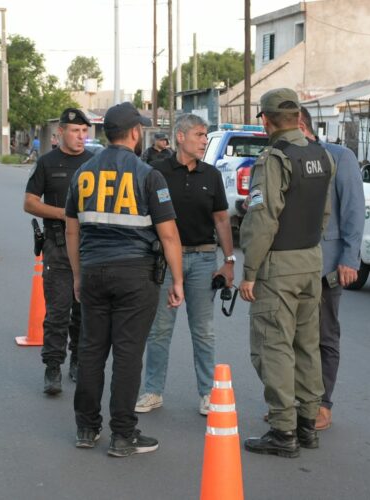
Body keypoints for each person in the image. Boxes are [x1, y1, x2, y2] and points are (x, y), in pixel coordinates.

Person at [65, 101, 184, 457]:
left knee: (91, 351)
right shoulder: (149, 175)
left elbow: (72, 230)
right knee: (129, 354)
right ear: (134, 133)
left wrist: (77, 275)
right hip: (135, 275)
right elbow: (169, 235)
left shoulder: (82, 173)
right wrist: (177, 280)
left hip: (93, 271)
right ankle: (122, 435)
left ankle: (86, 429)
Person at [238, 88, 334, 458]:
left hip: (278, 266)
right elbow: (324, 212)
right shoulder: (321, 156)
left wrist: (250, 271)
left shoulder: (274, 159)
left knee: (273, 347)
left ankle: (283, 430)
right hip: (311, 260)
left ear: (265, 120)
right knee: (307, 345)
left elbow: (262, 219)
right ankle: (308, 424)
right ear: (297, 117)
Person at [135, 113, 235, 417]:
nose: (205, 140)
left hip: (204, 258)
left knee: (203, 331)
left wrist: (228, 261)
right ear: (180, 137)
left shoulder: (211, 175)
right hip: (165, 261)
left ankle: (207, 393)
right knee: (159, 330)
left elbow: (221, 219)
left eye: (206, 135)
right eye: (200, 134)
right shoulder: (156, 172)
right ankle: (153, 391)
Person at [298, 106, 365, 430]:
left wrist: (350, 257)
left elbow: (354, 209)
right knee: (296, 337)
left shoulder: (341, 157)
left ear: (298, 123)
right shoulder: (284, 157)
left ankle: (322, 404)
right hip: (292, 265)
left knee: (324, 335)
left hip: (327, 264)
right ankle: (298, 401)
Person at [24, 108, 94, 394]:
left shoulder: (95, 163)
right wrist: (65, 214)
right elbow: (29, 203)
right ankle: (52, 367)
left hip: (90, 247)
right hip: (58, 246)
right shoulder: (47, 163)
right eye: (75, 131)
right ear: (61, 132)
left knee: (83, 312)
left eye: (84, 132)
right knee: (57, 312)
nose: (81, 137)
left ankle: (77, 360)